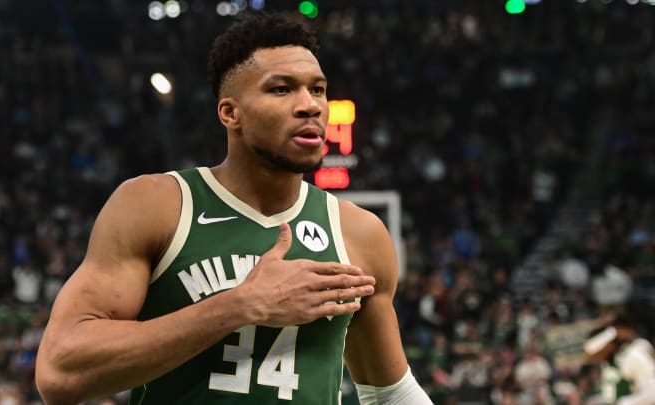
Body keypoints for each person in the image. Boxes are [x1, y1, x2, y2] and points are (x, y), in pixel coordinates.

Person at [35, 12, 433, 405]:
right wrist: (240, 305)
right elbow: (60, 372)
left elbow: (391, 395)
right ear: (230, 113)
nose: (310, 105)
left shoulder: (360, 235)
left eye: (318, 89)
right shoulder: (156, 205)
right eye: (281, 89)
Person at [582, 315, 655, 405]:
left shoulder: (633, 355)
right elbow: (612, 394)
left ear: (608, 346)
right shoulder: (609, 363)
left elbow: (652, 394)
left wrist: (622, 403)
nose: (594, 359)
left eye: (597, 354)